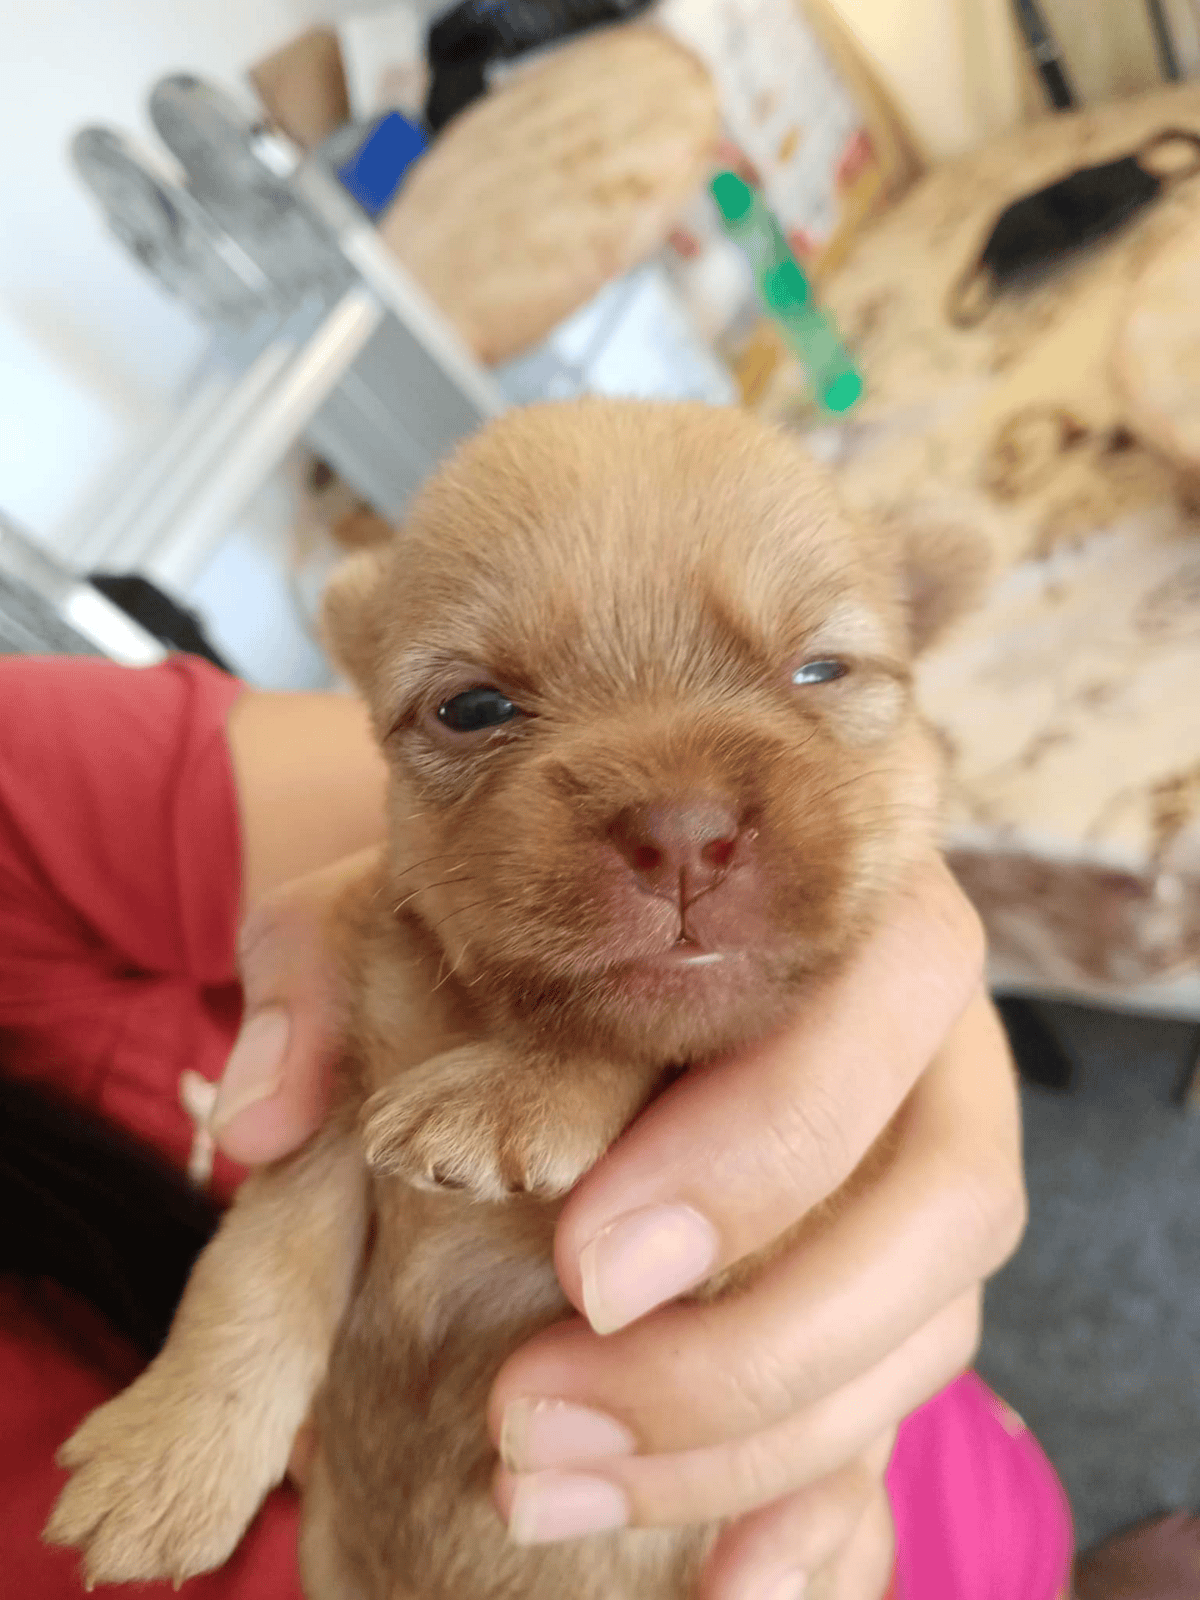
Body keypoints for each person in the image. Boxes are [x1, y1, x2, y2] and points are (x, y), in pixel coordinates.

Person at [0, 650, 1178, 1600]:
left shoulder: (35, 789)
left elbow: (504, 788)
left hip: (907, 1448)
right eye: (481, 708)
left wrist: (871, 915)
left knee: (1024, 1554)